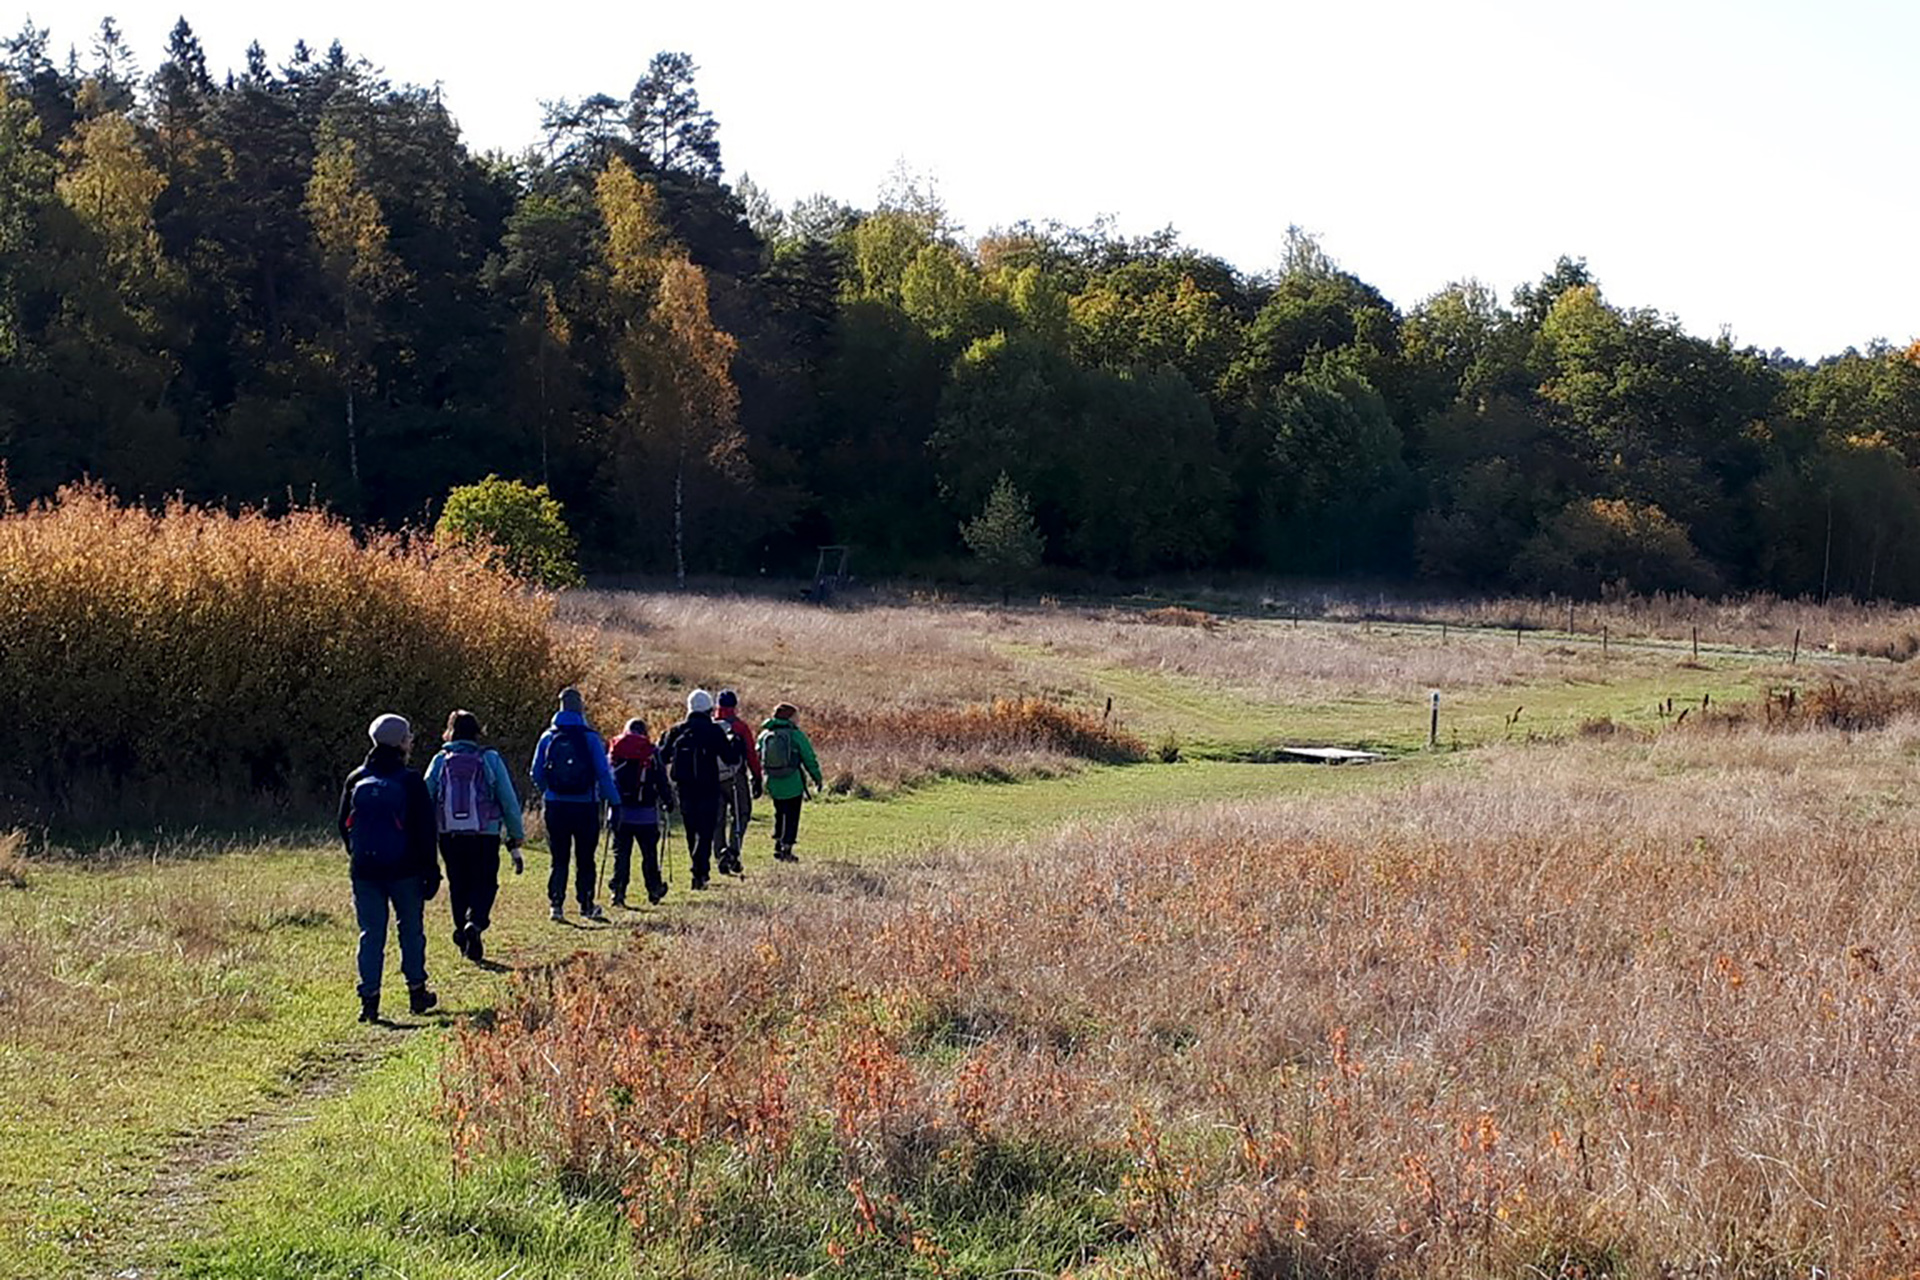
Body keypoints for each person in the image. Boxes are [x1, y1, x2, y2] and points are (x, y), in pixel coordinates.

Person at [337, 713, 440, 1023]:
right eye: (409, 736)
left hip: (364, 869)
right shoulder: (411, 780)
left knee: (370, 934)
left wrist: (358, 854)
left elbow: (343, 824)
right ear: (401, 742)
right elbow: (425, 830)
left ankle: (369, 1001)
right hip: (405, 869)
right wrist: (431, 869)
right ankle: (417, 991)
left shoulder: (356, 778)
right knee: (410, 930)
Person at [424, 709, 526, 963]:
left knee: (458, 883)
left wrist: (426, 830)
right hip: (484, 833)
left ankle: (462, 931)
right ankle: (476, 922)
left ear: (450, 732)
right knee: (485, 882)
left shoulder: (440, 760)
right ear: (477, 732)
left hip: (449, 834)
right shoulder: (490, 758)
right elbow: (508, 800)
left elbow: (426, 795)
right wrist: (516, 834)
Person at [529, 687, 621, 922]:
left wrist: (549, 790)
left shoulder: (547, 737)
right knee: (585, 858)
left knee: (558, 857)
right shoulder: (590, 738)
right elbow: (603, 773)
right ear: (580, 707)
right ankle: (586, 904)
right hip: (585, 805)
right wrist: (614, 802)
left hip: (555, 805)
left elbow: (536, 773)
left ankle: (556, 904)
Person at [658, 688, 741, 891]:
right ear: (709, 709)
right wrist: (737, 745)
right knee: (706, 831)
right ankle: (699, 871)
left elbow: (662, 757)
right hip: (708, 786)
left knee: (691, 829)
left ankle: (698, 868)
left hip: (684, 787)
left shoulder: (677, 730)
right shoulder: (714, 731)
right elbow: (730, 757)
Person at [607, 717, 673, 906]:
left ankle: (618, 892)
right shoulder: (651, 751)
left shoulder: (615, 749)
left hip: (621, 813)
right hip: (646, 814)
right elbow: (661, 779)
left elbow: (607, 777)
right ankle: (654, 889)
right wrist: (668, 801)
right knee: (649, 854)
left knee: (621, 855)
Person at [758, 702, 823, 862]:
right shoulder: (795, 735)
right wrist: (817, 777)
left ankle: (777, 844)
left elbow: (758, 756)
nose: (798, 719)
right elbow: (809, 757)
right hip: (792, 781)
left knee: (779, 813)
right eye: (796, 716)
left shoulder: (765, 734)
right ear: (790, 718)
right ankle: (786, 849)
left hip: (773, 781)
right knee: (792, 815)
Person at [713, 689, 764, 876]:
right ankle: (733, 851)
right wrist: (757, 777)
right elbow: (751, 754)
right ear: (734, 706)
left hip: (713, 780)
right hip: (736, 778)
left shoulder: (710, 725)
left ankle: (720, 854)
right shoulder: (740, 727)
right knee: (742, 813)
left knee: (717, 819)